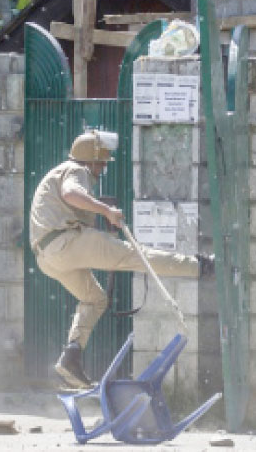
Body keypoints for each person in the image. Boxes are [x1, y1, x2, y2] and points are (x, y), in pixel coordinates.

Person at [29, 129, 214, 389]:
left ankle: (71, 355)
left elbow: (67, 205)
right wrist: (105, 210)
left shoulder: (59, 172)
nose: (103, 166)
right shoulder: (76, 170)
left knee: (95, 299)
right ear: (89, 159)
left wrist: (98, 217)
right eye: (101, 161)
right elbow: (71, 194)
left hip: (47, 256)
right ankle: (202, 266)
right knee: (136, 256)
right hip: (66, 242)